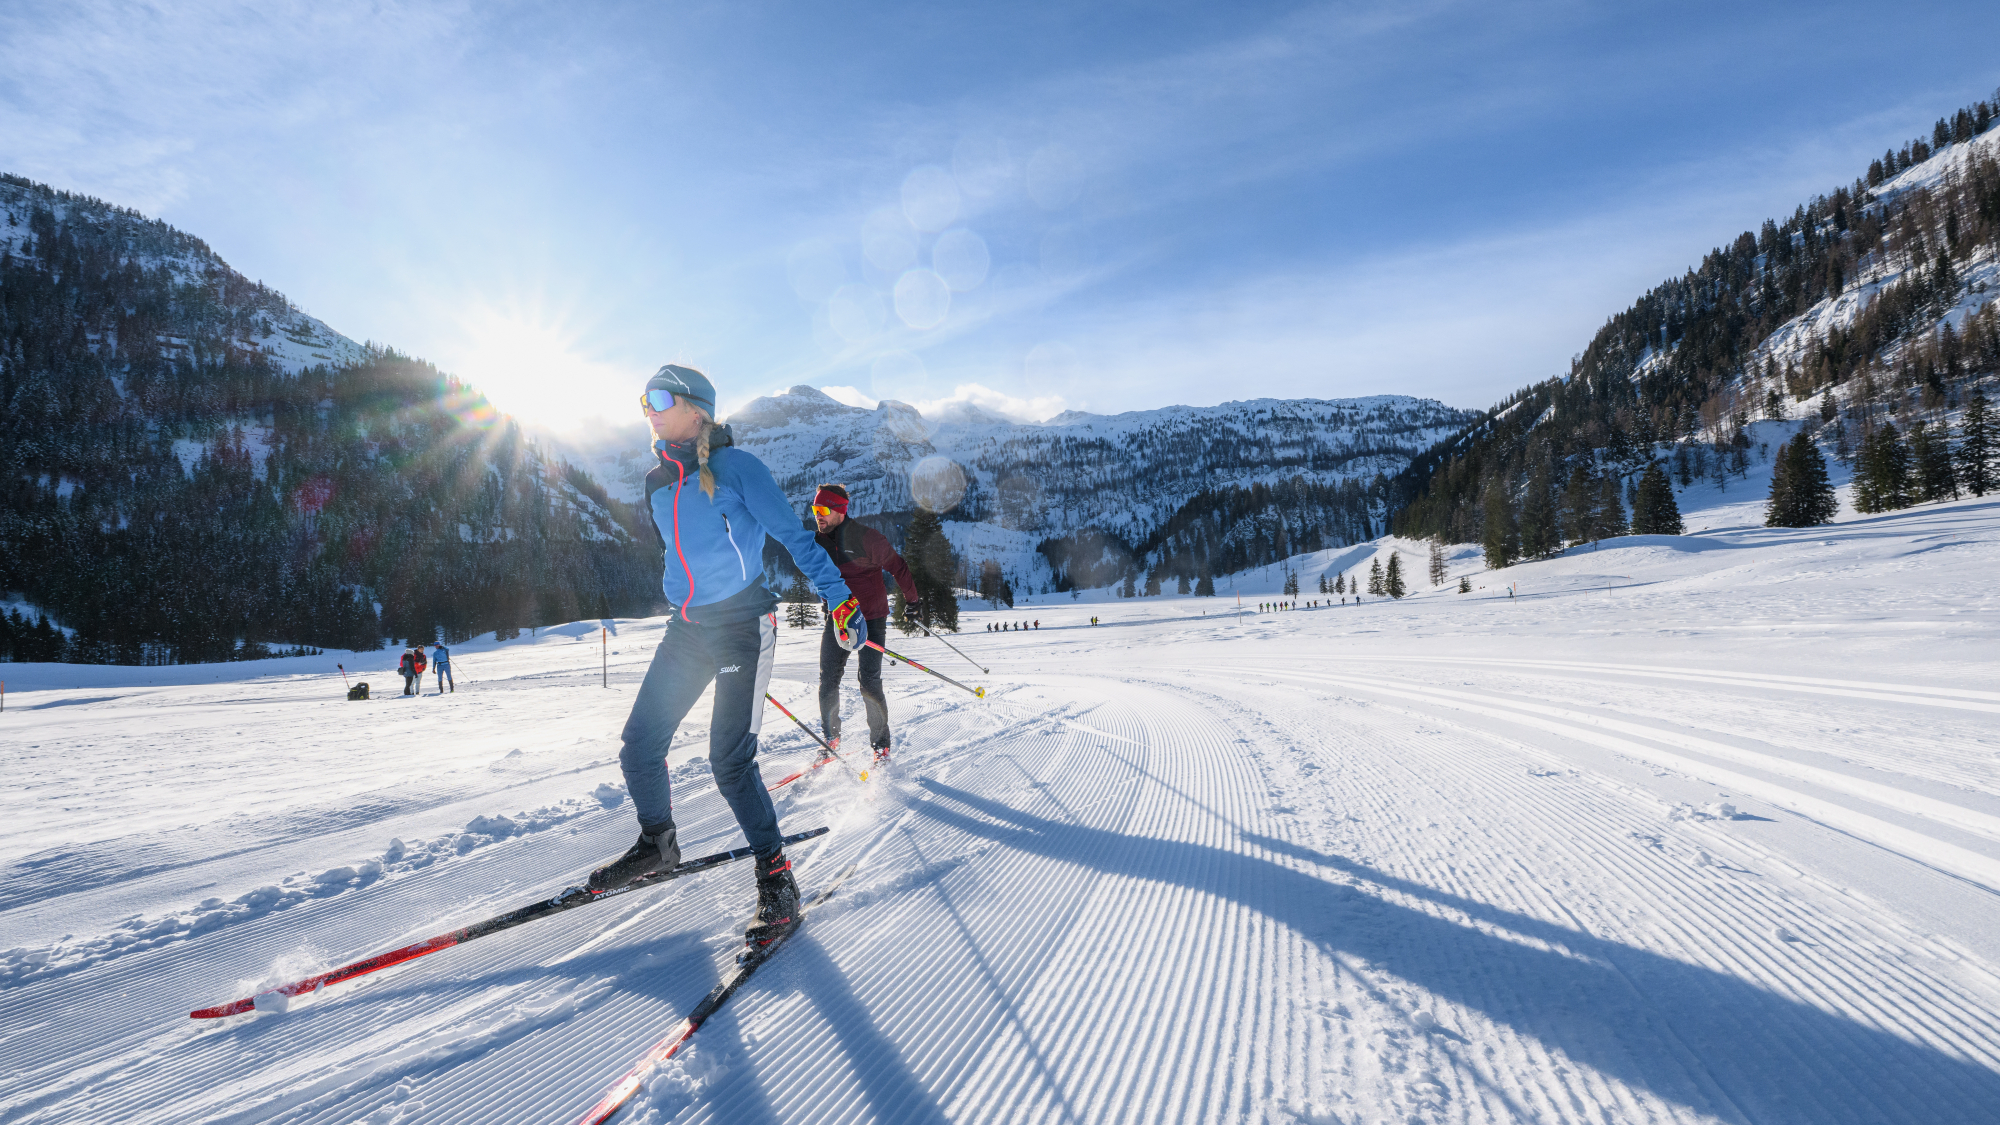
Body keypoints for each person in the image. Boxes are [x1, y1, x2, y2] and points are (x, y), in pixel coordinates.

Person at [590, 364, 862, 956]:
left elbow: (794, 537)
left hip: (743, 627)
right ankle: (657, 843)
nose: (650, 408)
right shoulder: (655, 481)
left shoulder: (738, 469)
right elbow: (682, 553)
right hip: (687, 629)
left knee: (729, 761)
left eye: (662, 398)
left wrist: (840, 599)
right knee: (639, 745)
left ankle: (777, 881)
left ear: (699, 410)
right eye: (645, 400)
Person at [807, 484, 919, 763]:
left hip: (871, 617)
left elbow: (898, 567)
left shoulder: (866, 538)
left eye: (823, 510)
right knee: (828, 680)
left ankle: (881, 746)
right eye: (814, 510)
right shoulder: (817, 541)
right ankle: (831, 739)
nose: (817, 516)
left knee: (868, 682)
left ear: (840, 511)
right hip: (839, 618)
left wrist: (913, 602)